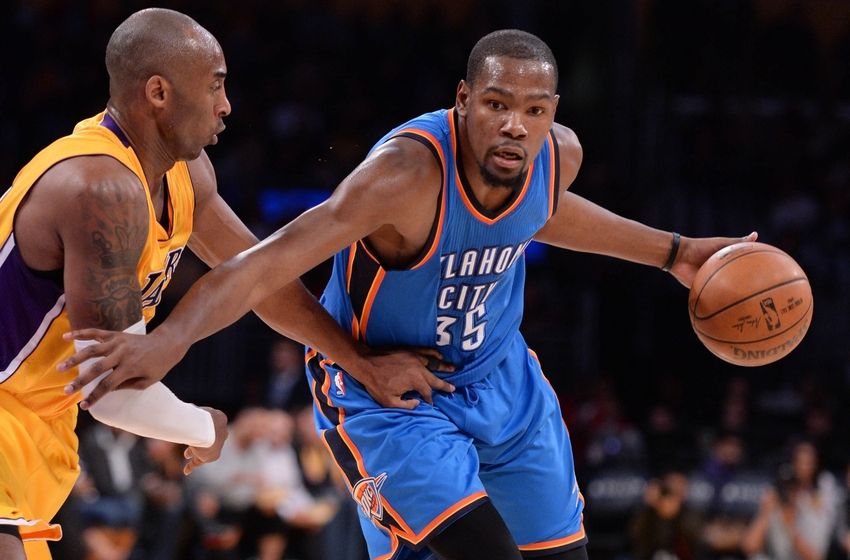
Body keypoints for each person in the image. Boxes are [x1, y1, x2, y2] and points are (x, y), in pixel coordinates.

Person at [62, 29, 756, 560]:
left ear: (552, 114)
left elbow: (546, 209)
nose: (515, 124)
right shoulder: (403, 176)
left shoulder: (556, 157)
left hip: (500, 381)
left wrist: (675, 253)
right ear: (463, 102)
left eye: (534, 110)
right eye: (497, 105)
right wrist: (169, 340)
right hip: (387, 396)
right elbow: (262, 264)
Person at [1, 8, 440, 560]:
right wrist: (203, 426)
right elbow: (111, 391)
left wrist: (360, 362)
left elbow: (259, 279)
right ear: (158, 92)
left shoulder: (186, 176)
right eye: (215, 85)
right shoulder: (100, 188)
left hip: (36, 424)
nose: (226, 104)